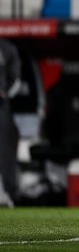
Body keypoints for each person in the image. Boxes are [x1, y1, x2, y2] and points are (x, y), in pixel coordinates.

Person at [0, 38, 21, 208]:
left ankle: (8, 193)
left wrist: (4, 93)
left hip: (1, 108)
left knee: (5, 150)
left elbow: (16, 81)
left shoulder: (6, 48)